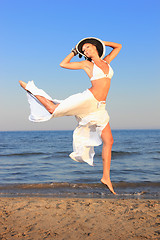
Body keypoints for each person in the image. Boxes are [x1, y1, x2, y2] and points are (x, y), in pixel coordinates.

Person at [19, 37, 122, 195]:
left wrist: (103, 42)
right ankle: (32, 90)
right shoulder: (87, 64)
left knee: (109, 141)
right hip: (88, 99)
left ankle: (106, 177)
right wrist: (74, 52)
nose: (85, 51)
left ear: (95, 47)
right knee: (53, 110)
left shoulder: (107, 61)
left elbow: (118, 46)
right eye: (84, 50)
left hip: (100, 107)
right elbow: (63, 64)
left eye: (87, 47)